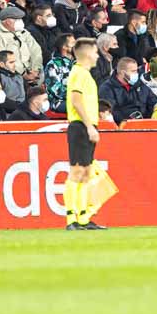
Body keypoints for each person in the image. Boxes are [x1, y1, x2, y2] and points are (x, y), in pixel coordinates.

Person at [63, 37, 106, 230]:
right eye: (95, 52)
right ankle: (72, 218)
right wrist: (89, 126)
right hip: (81, 125)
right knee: (78, 171)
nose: (97, 56)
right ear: (88, 54)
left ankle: (82, 218)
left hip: (84, 125)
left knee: (85, 172)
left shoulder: (83, 74)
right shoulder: (79, 73)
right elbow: (76, 100)